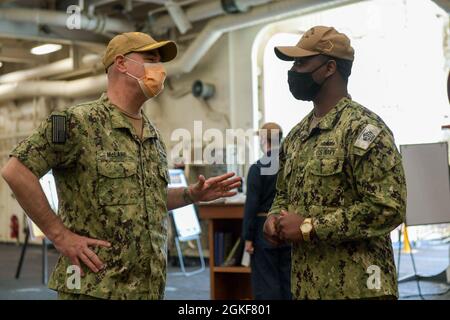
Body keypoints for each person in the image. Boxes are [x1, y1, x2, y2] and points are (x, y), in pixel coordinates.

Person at [1, 32, 241, 300]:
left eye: (160, 62)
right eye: (150, 59)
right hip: (95, 289)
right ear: (121, 63)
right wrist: (60, 235)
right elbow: (15, 171)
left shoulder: (151, 134)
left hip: (148, 288)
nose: (159, 69)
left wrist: (191, 195)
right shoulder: (75, 122)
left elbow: (146, 200)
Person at [263, 26, 407, 300]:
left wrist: (309, 227)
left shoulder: (364, 130)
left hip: (360, 288)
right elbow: (283, 194)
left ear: (330, 68)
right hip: (307, 287)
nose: (294, 71)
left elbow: (388, 208)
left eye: (302, 62)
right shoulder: (297, 135)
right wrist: (274, 217)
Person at [242, 122, 291, 300]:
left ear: (264, 139)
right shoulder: (291, 166)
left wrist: (247, 238)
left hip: (264, 229)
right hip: (289, 225)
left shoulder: (258, 168)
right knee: (289, 280)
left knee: (266, 281)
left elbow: (252, 205)